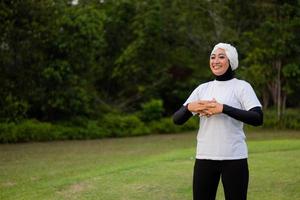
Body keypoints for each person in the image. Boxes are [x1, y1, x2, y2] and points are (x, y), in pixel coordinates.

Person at [173, 43, 263, 200]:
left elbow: (257, 118)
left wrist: (223, 108)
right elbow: (177, 119)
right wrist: (189, 108)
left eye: (221, 57)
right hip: (204, 157)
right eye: (212, 57)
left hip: (234, 158)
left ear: (231, 61)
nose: (215, 61)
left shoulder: (242, 87)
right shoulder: (203, 89)